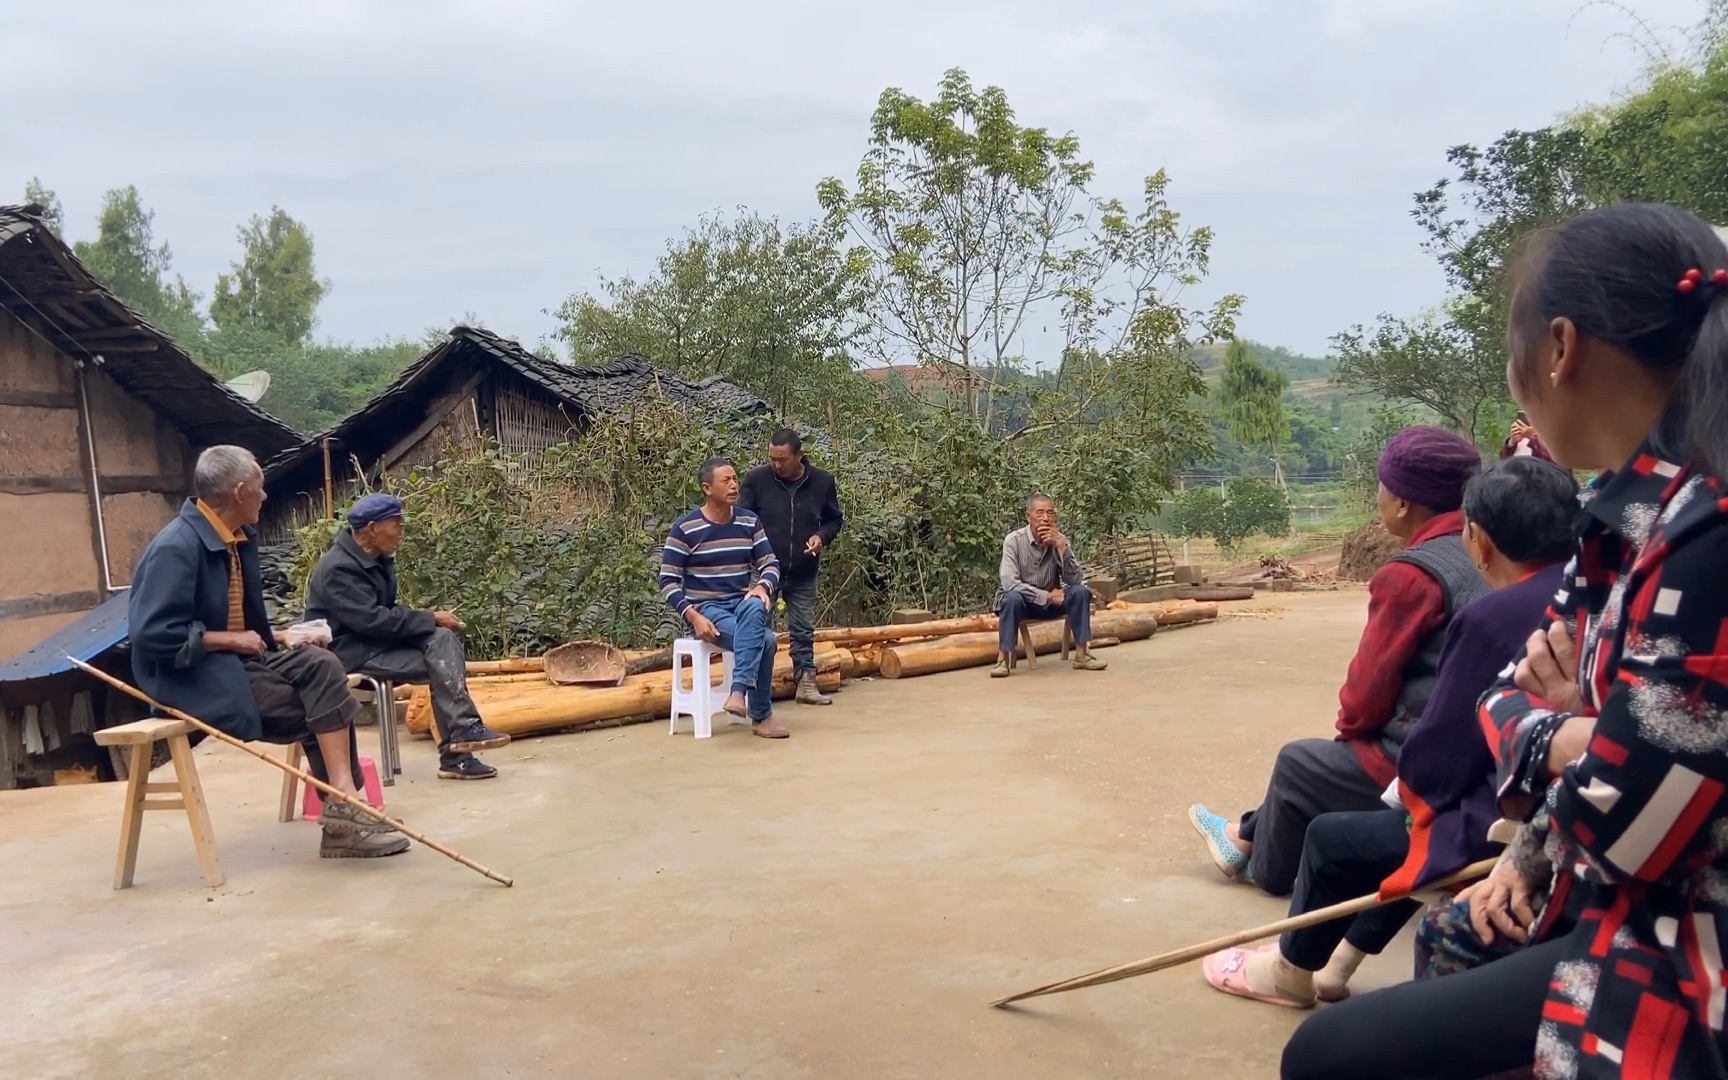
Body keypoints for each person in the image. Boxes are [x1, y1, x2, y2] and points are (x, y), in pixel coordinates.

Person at [1282, 203, 1728, 1079]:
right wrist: (1566, 765)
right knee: (1455, 934)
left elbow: (1627, 823)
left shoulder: (1705, 534)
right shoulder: (1616, 518)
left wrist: (1558, 733)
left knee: (1333, 1058)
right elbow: (1507, 700)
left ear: (1559, 349)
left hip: (1682, 938)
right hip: (1589, 875)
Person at [1197, 456, 1577, 1008]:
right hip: (1543, 787)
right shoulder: (1597, 592)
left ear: (1482, 542)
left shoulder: (1483, 609)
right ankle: (1336, 962)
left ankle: (1289, 971)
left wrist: (1400, 776)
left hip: (1511, 812)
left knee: (1350, 834)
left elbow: (1435, 746)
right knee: (1410, 822)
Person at [1189, 425, 1488, 895]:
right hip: (1485, 750)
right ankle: (1242, 834)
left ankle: (1258, 861)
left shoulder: (1410, 576)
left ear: (1404, 504)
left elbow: (1366, 693)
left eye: (1382, 487)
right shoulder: (1489, 551)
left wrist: (1350, 740)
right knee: (1325, 764)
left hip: (1421, 760)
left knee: (1301, 763)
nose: (1379, 497)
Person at [127, 446, 408, 859]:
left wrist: (280, 635)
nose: (265, 496)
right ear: (240, 492)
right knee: (319, 706)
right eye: (260, 488)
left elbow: (239, 624)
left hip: (241, 661)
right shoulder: (177, 547)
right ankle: (345, 815)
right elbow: (152, 636)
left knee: (322, 664)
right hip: (191, 676)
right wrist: (229, 640)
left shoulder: (237, 538)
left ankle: (344, 802)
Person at [304, 493, 511, 781]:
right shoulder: (339, 568)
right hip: (349, 651)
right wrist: (429, 617)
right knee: (441, 662)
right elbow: (371, 620)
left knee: (442, 642)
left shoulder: (377, 557)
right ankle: (457, 753)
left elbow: (385, 613)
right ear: (373, 528)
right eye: (396, 524)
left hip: (377, 642)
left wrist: (431, 621)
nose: (402, 530)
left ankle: (464, 732)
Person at [659, 458, 788, 739]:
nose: (734, 485)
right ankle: (761, 715)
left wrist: (763, 587)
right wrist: (693, 617)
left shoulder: (748, 521)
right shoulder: (686, 529)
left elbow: (770, 564)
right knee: (765, 640)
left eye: (735, 479)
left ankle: (738, 692)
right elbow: (667, 582)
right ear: (707, 488)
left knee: (755, 604)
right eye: (726, 481)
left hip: (742, 604)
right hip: (708, 609)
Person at [738, 428, 844, 707]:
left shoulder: (822, 482)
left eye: (782, 459)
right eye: (772, 458)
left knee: (803, 629)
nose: (776, 465)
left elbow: (834, 520)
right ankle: (755, 689)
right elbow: (743, 521)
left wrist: (821, 537)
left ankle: (806, 683)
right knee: (757, 628)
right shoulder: (756, 480)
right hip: (763, 572)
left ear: (799, 456)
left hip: (803, 569)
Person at [992, 494, 1108, 678]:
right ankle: (1002, 659)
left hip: (1052, 603)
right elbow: (1009, 583)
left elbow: (1075, 579)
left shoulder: (1058, 540)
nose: (1045, 518)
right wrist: (1046, 596)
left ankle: (1082, 655)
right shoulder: (1013, 540)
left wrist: (1062, 547)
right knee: (1011, 598)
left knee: (1079, 592)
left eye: (1050, 513)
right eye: (1040, 513)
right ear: (1028, 516)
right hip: (1024, 604)